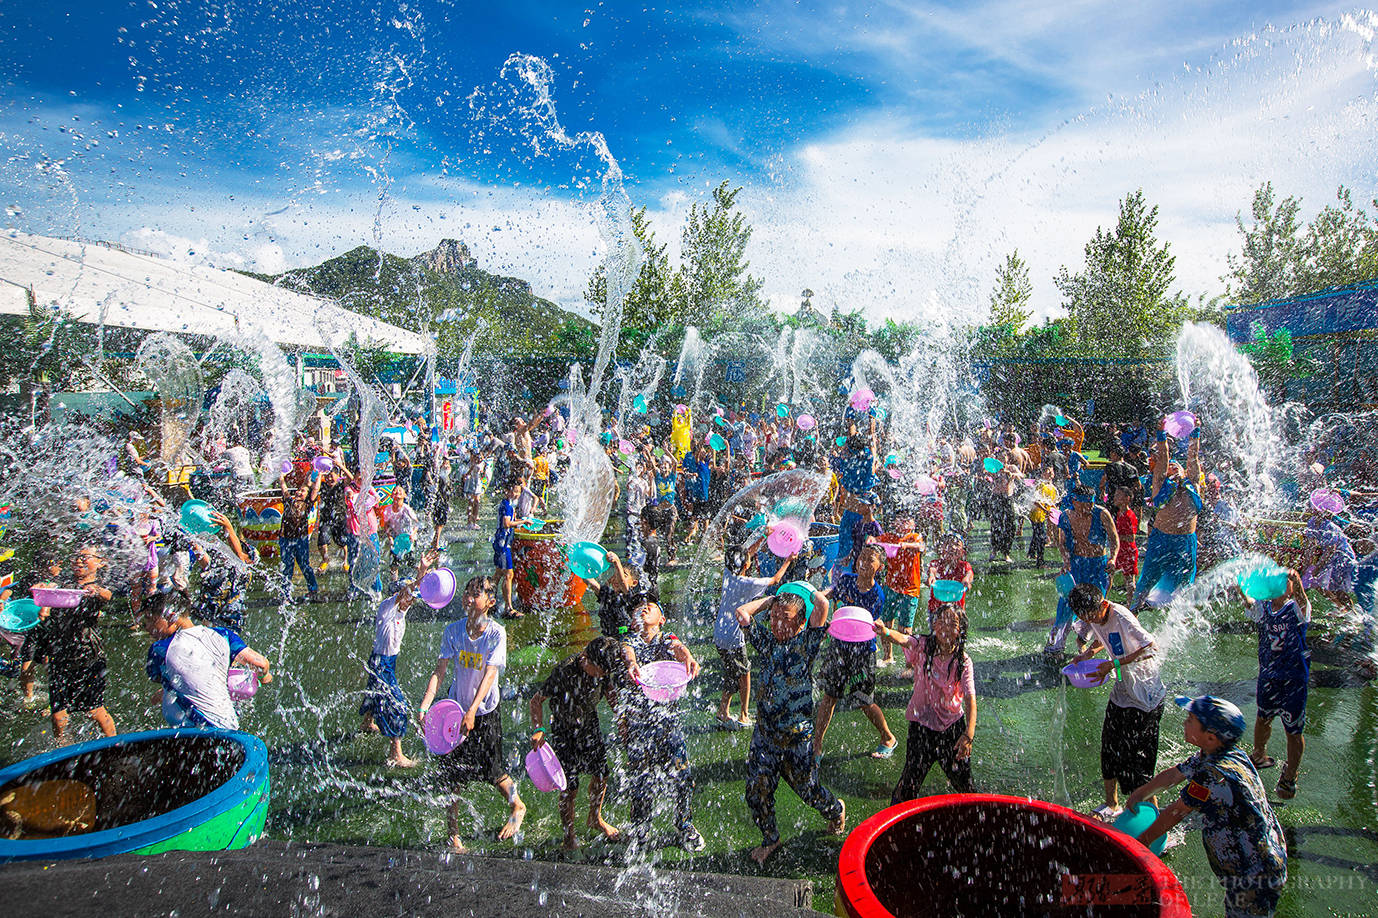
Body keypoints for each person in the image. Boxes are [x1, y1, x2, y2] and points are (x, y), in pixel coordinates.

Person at [1129, 696, 1287, 918]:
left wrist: (1141, 843)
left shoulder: (1215, 774)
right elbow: (1175, 774)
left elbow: (1178, 811)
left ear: (1210, 737)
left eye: (1191, 719)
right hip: (1251, 861)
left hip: (1254, 870)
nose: (1185, 722)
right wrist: (1141, 793)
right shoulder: (1218, 754)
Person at [734, 580, 845, 865]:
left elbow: (822, 604)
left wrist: (802, 590)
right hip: (766, 734)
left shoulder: (806, 643)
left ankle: (835, 810)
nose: (776, 623)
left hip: (797, 737)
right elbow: (742, 614)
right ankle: (771, 839)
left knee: (808, 791)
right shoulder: (767, 643)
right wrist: (772, 601)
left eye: (785, 618)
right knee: (756, 792)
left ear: (801, 622)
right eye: (773, 617)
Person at [417, 575, 526, 853]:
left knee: (494, 771)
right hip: (455, 710)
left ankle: (517, 804)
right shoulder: (452, 631)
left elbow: (490, 674)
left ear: (490, 602)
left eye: (475, 594)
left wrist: (474, 711)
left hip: (485, 710)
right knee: (451, 775)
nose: (468, 598)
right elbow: (439, 671)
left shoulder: (496, 633)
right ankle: (453, 835)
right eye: (467, 592)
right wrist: (426, 704)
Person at [1066, 583, 1167, 819]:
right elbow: (1107, 638)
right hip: (1123, 692)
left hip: (1145, 698)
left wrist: (1113, 665)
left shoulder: (1121, 616)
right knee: (1109, 749)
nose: (1089, 620)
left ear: (1102, 604)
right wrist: (1089, 653)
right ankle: (1111, 804)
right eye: (1083, 617)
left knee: (1138, 765)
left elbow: (1151, 647)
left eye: (1091, 615)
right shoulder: (1096, 616)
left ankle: (1154, 819)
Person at [617, 597, 704, 851]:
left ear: (662, 620)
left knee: (683, 776)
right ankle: (641, 827)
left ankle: (684, 823)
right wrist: (632, 664)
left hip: (667, 723)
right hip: (638, 723)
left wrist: (687, 657)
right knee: (640, 778)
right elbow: (627, 652)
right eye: (639, 608)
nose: (644, 608)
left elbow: (678, 648)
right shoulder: (630, 640)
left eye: (651, 607)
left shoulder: (665, 639)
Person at [529, 636, 625, 849]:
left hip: (590, 725)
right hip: (565, 732)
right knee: (569, 787)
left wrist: (620, 716)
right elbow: (536, 700)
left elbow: (609, 691)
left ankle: (595, 818)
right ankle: (569, 836)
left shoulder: (604, 668)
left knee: (601, 775)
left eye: (604, 674)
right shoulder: (565, 671)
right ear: (586, 658)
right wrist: (539, 730)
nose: (600, 676)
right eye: (599, 671)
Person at [877, 602, 976, 800]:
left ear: (960, 630)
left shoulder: (962, 661)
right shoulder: (923, 646)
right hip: (921, 727)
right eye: (940, 620)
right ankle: (896, 822)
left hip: (952, 730)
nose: (944, 626)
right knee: (909, 782)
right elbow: (904, 639)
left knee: (964, 783)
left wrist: (968, 735)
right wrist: (886, 631)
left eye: (952, 623)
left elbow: (970, 700)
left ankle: (975, 816)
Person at [815, 543, 899, 761]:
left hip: (862, 652)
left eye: (870, 559)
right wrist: (822, 596)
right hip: (839, 648)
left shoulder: (876, 595)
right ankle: (816, 745)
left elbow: (865, 623)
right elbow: (834, 592)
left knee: (864, 700)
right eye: (862, 556)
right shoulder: (847, 579)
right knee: (829, 696)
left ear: (879, 567)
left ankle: (887, 737)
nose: (863, 562)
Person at [142, 592, 271, 730]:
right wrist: (264, 677)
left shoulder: (160, 649)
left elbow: (162, 676)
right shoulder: (222, 635)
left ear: (171, 616)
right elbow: (261, 664)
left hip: (195, 731)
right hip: (229, 727)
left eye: (150, 620)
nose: (147, 627)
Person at [359, 552, 438, 767]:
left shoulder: (402, 611)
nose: (411, 601)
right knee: (398, 705)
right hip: (381, 662)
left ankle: (368, 722)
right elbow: (407, 590)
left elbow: (414, 592)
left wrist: (423, 571)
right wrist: (419, 575)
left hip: (384, 661)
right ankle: (396, 753)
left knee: (374, 692)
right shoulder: (387, 608)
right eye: (408, 598)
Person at [1245, 568, 1310, 799]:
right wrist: (1240, 587)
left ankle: (1290, 773)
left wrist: (1298, 583)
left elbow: (1303, 601)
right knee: (1263, 717)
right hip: (1268, 676)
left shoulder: (1295, 609)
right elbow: (1250, 604)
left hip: (1293, 679)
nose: (1281, 584)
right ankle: (1259, 754)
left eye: (1286, 582)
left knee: (1293, 729)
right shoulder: (1263, 608)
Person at [713, 545, 792, 729]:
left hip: (719, 633)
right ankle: (743, 715)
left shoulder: (728, 575)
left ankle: (723, 711)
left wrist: (764, 537)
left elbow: (746, 553)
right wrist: (789, 560)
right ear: (747, 564)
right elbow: (775, 579)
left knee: (732, 673)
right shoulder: (748, 584)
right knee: (743, 674)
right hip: (733, 637)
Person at [1130, 421, 1202, 610]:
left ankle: (1182, 624)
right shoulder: (1161, 485)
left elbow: (1193, 457)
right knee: (1146, 581)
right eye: (1170, 465)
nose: (1173, 466)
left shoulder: (1192, 485)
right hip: (1162, 540)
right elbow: (1162, 460)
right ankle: (1133, 611)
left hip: (1185, 542)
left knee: (1185, 587)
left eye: (1177, 465)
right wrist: (1161, 435)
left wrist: (1195, 432)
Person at [47, 545, 117, 741]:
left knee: (94, 710)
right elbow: (50, 591)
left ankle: (113, 746)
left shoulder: (100, 583)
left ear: (99, 562)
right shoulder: (65, 582)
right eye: (76, 557)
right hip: (60, 653)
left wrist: (97, 591)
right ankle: (62, 750)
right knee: (58, 714)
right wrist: (46, 588)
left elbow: (107, 596)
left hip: (87, 654)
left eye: (85, 557)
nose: (79, 561)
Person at [1044, 484, 1119, 655]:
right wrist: (1066, 561)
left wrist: (1113, 558)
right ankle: (1056, 644)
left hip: (1098, 565)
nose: (1089, 507)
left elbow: (1114, 539)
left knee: (1097, 606)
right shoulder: (1067, 516)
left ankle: (1083, 639)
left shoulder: (1101, 514)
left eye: (1091, 503)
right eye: (1086, 504)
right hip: (1077, 565)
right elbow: (1062, 543)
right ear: (1075, 502)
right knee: (1066, 603)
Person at [190, 510, 257, 631]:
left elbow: (239, 555)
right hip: (212, 614)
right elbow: (203, 559)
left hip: (228, 617)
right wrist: (192, 540)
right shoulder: (222, 569)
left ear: (250, 561)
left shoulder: (242, 571)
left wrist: (228, 527)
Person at [877, 520, 925, 670]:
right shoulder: (889, 537)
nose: (902, 523)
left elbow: (920, 547)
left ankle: (909, 665)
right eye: (899, 519)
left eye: (906, 520)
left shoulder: (914, 537)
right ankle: (887, 656)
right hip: (891, 587)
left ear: (913, 524)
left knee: (905, 629)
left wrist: (906, 545)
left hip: (910, 590)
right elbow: (874, 540)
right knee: (885, 622)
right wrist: (871, 540)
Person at [277, 474, 320, 603]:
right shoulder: (289, 501)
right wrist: (281, 478)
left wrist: (320, 475)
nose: (299, 492)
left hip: (301, 540)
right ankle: (285, 593)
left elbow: (316, 489)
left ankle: (313, 589)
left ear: (307, 495)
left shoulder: (307, 504)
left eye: (303, 491)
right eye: (299, 490)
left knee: (304, 565)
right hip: (286, 540)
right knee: (287, 567)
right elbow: (284, 488)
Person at [491, 478, 524, 617]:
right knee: (508, 575)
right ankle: (508, 609)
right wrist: (522, 521)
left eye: (518, 492)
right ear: (507, 491)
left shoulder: (507, 504)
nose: (516, 494)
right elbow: (506, 523)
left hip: (500, 542)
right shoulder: (507, 505)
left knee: (498, 574)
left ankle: (487, 600)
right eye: (514, 491)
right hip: (503, 544)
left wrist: (524, 521)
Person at [926, 533, 974, 627]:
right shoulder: (936, 564)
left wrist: (967, 580)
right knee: (936, 637)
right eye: (948, 543)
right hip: (936, 610)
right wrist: (931, 576)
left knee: (957, 635)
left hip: (957, 611)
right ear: (941, 549)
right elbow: (932, 570)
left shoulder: (964, 566)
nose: (952, 547)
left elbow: (969, 574)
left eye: (957, 544)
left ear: (963, 552)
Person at [1111, 486, 1139, 603]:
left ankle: (1132, 605)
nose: (1115, 497)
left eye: (1118, 495)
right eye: (1115, 495)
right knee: (1110, 572)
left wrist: (1115, 536)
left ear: (1127, 499)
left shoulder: (1129, 515)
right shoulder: (1119, 513)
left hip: (1128, 551)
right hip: (1120, 550)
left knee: (1129, 581)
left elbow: (1131, 537)